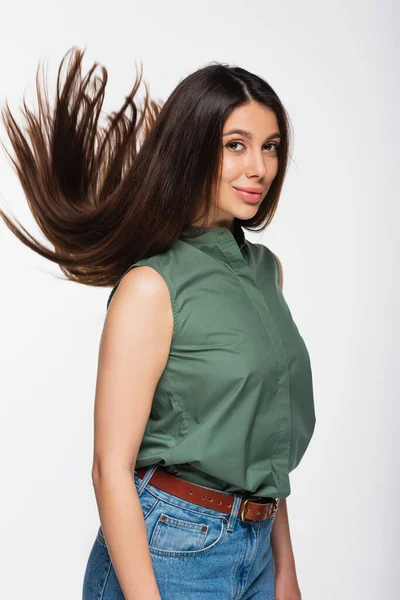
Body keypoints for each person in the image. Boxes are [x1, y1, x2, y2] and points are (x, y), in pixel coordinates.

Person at [1, 47, 316, 599]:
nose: (259, 168)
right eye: (235, 146)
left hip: (258, 547)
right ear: (193, 152)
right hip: (172, 551)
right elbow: (109, 468)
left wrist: (285, 574)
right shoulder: (152, 286)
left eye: (270, 147)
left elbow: (263, 445)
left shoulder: (266, 272)